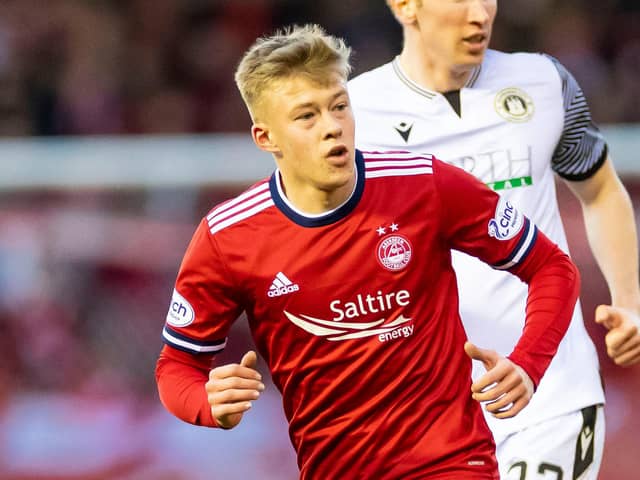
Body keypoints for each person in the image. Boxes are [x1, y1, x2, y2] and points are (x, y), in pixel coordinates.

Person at [155, 24, 581, 480]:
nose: (332, 127)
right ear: (266, 138)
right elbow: (177, 365)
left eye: (339, 106)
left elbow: (551, 267)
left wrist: (528, 364)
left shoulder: (424, 185)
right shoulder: (228, 237)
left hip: (453, 462)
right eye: (306, 117)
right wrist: (207, 403)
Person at [347, 1, 640, 479]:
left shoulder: (545, 83)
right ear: (405, 6)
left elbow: (601, 188)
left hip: (552, 395)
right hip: (425, 412)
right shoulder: (353, 115)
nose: (480, 13)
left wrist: (630, 301)